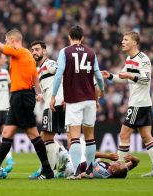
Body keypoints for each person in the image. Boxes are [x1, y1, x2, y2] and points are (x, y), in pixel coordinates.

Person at [0, 19, 53, 179]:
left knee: (33, 134)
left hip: (21, 96)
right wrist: (38, 93)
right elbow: (35, 78)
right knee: (7, 133)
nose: (5, 44)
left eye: (7, 41)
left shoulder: (20, 52)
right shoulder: (27, 56)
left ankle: (47, 170)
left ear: (14, 41)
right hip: (20, 96)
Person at [101, 31, 153, 177]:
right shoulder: (129, 59)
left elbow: (146, 79)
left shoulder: (143, 59)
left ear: (134, 42)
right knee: (147, 137)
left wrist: (129, 75)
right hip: (141, 103)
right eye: (122, 39)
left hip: (138, 104)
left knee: (124, 134)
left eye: (126, 39)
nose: (122, 42)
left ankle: (118, 169)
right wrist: (109, 76)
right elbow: (122, 78)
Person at [50, 25, 105, 179]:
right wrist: (101, 92)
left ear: (69, 37)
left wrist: (53, 96)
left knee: (74, 137)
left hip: (73, 100)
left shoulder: (65, 52)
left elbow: (59, 74)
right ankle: (89, 170)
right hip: (90, 100)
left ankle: (76, 172)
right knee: (90, 137)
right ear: (82, 37)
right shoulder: (91, 52)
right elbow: (99, 76)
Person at [29, 40, 65, 176]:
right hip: (49, 102)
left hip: (54, 103)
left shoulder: (50, 64)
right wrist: (42, 97)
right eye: (33, 50)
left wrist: (65, 97)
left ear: (44, 51)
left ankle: (50, 170)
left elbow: (62, 75)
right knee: (44, 136)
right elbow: (50, 86)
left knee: (46, 137)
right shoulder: (39, 69)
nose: (34, 52)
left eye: (37, 49)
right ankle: (52, 166)